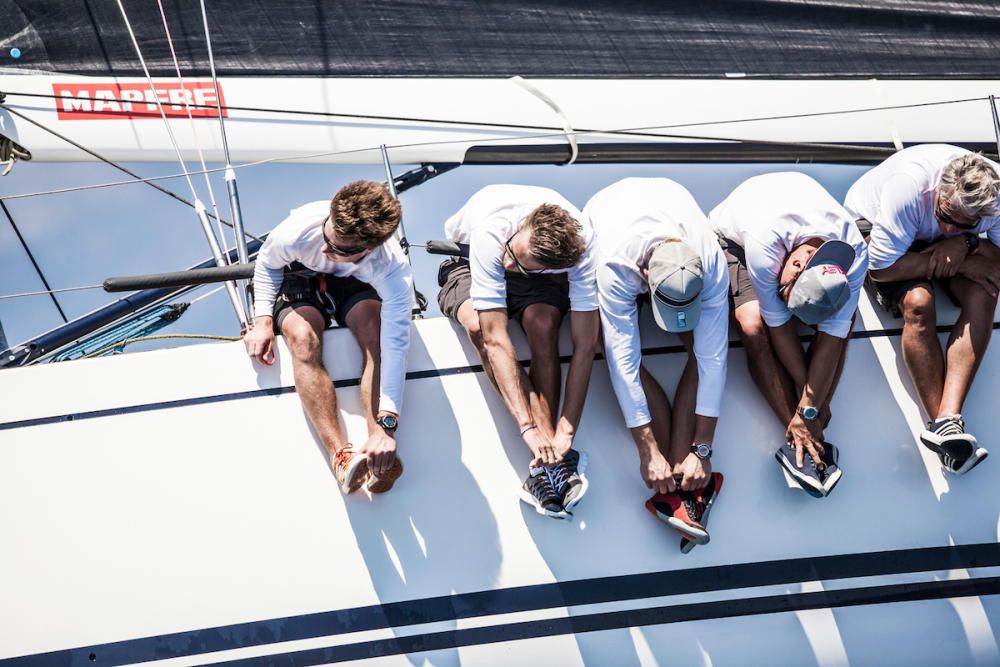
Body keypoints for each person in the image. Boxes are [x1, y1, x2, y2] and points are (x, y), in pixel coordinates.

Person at [437, 184, 600, 519]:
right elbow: (495, 338)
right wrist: (529, 429)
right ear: (523, 225)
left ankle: (550, 462)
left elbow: (585, 347)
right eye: (514, 254)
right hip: (469, 258)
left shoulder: (584, 250)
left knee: (542, 325)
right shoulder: (493, 235)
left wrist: (567, 431)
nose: (508, 265)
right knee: (477, 328)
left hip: (540, 274)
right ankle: (551, 462)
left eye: (519, 264)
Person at [244, 180, 412, 495]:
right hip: (296, 273)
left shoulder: (392, 269)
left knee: (375, 332)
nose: (325, 249)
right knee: (303, 338)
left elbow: (395, 345)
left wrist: (388, 424)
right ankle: (342, 456)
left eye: (337, 249)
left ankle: (378, 445)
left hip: (354, 278)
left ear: (370, 248)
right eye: (328, 236)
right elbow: (267, 265)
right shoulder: (297, 231)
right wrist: (262, 320)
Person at [584, 177, 726, 551]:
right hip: (609, 217)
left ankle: (682, 479)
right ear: (645, 279)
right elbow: (623, 362)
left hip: (672, 210)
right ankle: (676, 485)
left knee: (700, 346)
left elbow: (713, 357)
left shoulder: (709, 262)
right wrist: (647, 452)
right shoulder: (616, 266)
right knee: (601, 339)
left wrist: (703, 449)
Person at [844, 144, 1000, 474]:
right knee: (919, 302)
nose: (949, 228)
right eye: (945, 217)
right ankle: (944, 427)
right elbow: (881, 268)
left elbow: (996, 260)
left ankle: (946, 424)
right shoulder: (908, 188)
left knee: (986, 291)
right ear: (937, 191)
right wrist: (959, 261)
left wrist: (965, 244)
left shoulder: (994, 199)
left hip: (945, 249)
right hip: (877, 233)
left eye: (964, 224)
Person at [711, 172, 868, 497]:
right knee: (754, 326)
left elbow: (831, 338)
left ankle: (805, 430)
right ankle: (803, 437)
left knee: (846, 321)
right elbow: (778, 328)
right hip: (733, 240)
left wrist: (810, 404)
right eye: (786, 298)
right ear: (795, 266)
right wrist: (808, 405)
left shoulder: (854, 257)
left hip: (794, 218)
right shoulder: (765, 249)